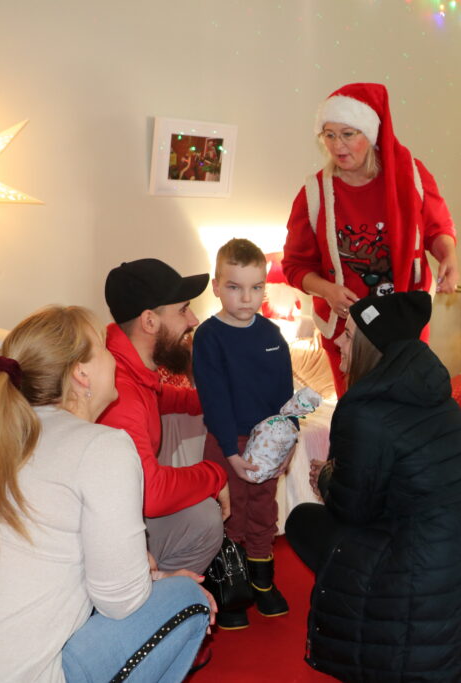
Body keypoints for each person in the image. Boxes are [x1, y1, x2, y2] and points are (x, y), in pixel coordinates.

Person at [0, 306, 214, 682]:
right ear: (81, 373)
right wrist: (160, 580)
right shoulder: (103, 446)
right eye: (104, 348)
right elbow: (121, 602)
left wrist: (146, 572)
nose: (113, 357)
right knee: (189, 598)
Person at [285, 291, 461, 682]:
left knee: (303, 520)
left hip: (425, 558)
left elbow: (353, 511)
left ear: (371, 348)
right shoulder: (435, 394)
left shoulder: (363, 410)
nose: (338, 343)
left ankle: (365, 611)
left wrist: (326, 478)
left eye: (348, 335)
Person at [282, 82, 459, 397]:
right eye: (329, 135)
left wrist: (449, 256)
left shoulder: (410, 176)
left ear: (370, 133)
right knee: (357, 411)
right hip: (347, 333)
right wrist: (327, 291)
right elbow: (295, 266)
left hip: (403, 321)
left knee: (406, 407)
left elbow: (436, 228)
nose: (337, 145)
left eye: (348, 134)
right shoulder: (315, 194)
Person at [99, 258, 229, 575]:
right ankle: (156, 594)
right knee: (204, 518)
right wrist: (214, 475)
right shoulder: (121, 394)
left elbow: (162, 397)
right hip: (105, 535)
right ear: (149, 321)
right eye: (183, 310)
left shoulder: (127, 366)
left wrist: (217, 400)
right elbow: (151, 493)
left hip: (117, 515)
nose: (193, 320)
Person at [193, 238, 294, 628]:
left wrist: (289, 442)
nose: (246, 298)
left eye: (256, 287)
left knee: (263, 510)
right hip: (227, 442)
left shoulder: (272, 335)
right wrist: (231, 454)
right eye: (235, 287)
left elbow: (286, 396)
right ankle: (230, 586)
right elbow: (214, 398)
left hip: (267, 442)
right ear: (217, 286)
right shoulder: (209, 336)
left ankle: (261, 582)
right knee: (230, 510)